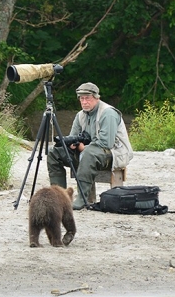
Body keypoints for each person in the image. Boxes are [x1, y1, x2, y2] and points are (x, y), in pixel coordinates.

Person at [46, 82, 133, 210]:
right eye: (82, 98)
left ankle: (83, 198)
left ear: (97, 98)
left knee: (88, 153)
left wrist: (83, 148)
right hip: (90, 153)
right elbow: (73, 137)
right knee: (54, 152)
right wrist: (70, 145)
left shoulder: (108, 113)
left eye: (88, 98)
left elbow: (106, 143)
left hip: (114, 153)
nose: (84, 102)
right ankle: (60, 196)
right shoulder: (80, 115)